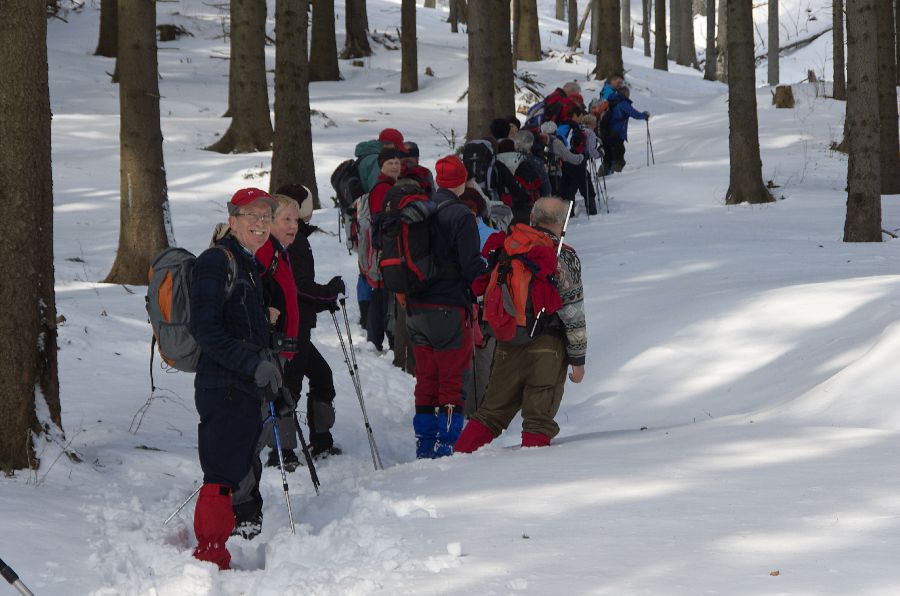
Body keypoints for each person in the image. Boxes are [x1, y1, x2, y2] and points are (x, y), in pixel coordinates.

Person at [189, 187, 282, 570]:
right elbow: (206, 330)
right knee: (222, 472)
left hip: (243, 383)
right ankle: (210, 554)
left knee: (234, 466)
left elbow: (248, 329)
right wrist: (251, 365)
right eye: (252, 218)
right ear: (232, 221)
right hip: (222, 385)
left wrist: (269, 370)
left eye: (265, 218)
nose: (260, 226)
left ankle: (217, 549)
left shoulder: (247, 264)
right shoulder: (216, 261)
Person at [454, 197, 586, 454]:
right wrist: (578, 359)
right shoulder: (563, 255)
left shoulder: (509, 247)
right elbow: (573, 312)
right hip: (548, 346)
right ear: (561, 224)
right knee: (538, 419)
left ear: (533, 219)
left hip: (509, 339)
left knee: (490, 414)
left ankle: (454, 462)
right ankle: (529, 477)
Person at [407, 155, 486, 458]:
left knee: (426, 378)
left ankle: (424, 443)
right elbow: (470, 267)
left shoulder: (421, 210)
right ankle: (447, 443)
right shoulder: (461, 214)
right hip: (449, 308)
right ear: (464, 181)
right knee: (452, 380)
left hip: (417, 308)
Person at [276, 185, 345, 459]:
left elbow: (298, 289)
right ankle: (284, 452)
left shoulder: (296, 237)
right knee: (290, 386)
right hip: (292, 326)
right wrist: (327, 293)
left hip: (297, 321)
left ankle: (319, 441)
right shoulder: (295, 241)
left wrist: (326, 299)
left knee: (319, 377)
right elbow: (297, 287)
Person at [363, 148, 404, 352]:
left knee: (381, 292)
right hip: (384, 247)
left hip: (383, 246)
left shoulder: (389, 185)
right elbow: (383, 218)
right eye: (390, 163)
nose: (395, 166)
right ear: (381, 166)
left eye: (397, 162)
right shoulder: (382, 188)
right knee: (382, 293)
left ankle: (375, 337)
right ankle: (377, 337)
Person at [602, 86, 650, 174]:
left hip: (607, 133)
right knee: (619, 159)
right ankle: (614, 176)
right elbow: (635, 114)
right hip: (617, 133)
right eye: (628, 93)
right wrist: (644, 115)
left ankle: (602, 176)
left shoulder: (611, 101)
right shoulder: (623, 103)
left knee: (609, 157)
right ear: (625, 94)